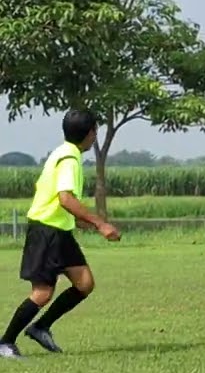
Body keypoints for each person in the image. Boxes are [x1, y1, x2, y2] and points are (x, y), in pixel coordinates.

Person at [1, 110, 120, 359]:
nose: (95, 136)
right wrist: (99, 223)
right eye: (95, 131)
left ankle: (40, 327)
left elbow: (54, 196)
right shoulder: (69, 159)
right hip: (46, 231)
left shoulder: (63, 152)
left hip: (59, 231)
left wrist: (76, 221)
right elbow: (65, 198)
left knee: (84, 284)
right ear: (90, 134)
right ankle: (5, 343)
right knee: (43, 292)